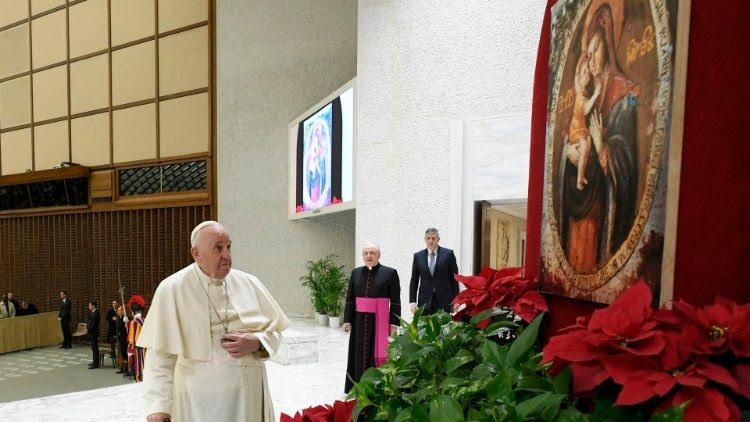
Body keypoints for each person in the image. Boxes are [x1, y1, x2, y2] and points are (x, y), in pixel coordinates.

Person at [138, 221, 289, 422]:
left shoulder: (249, 283)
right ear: (196, 253)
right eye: (218, 248)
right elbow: (160, 357)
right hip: (198, 403)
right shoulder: (171, 289)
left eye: (228, 247)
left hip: (247, 397)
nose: (227, 255)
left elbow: (275, 332)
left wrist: (257, 342)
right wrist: (159, 407)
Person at [556, 3, 639, 273]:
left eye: (596, 49)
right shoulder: (587, 92)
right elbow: (572, 134)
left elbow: (627, 164)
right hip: (578, 211)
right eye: (587, 52)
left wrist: (603, 146)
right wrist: (567, 152)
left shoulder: (624, 96)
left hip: (601, 213)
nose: (591, 59)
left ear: (609, 45)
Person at [343, 243, 400, 393]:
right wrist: (347, 320)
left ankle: (377, 385)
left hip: (380, 321)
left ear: (378, 255)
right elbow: (350, 298)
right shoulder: (355, 273)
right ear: (362, 256)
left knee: (377, 353)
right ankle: (356, 385)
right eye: (366, 253)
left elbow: (395, 301)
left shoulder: (390, 273)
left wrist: (394, 324)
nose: (369, 256)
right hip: (359, 320)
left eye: (372, 253)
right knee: (358, 352)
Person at [567, 53, 600, 191]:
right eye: (584, 72)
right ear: (579, 75)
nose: (587, 75)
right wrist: (596, 95)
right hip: (576, 130)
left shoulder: (583, 90)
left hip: (582, 128)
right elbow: (585, 110)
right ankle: (580, 178)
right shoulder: (580, 91)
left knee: (587, 145)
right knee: (585, 146)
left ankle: (582, 174)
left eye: (588, 73)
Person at [409, 228, 459, 316]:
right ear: (425, 239)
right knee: (425, 328)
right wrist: (412, 301)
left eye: (433, 238)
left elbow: (454, 279)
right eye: (428, 238)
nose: (431, 241)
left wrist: (456, 301)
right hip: (425, 300)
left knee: (443, 328)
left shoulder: (448, 254)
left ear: (438, 239)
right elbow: (414, 281)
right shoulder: (418, 256)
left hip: (444, 300)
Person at [127, 295, 146, 382]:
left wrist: (130, 351)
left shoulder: (133, 322)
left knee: (137, 372)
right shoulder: (144, 319)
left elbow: (131, 339)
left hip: (136, 350)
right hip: (144, 349)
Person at [87, 301, 101, 369]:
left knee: (95, 348)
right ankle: (94, 361)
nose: (89, 307)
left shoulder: (96, 313)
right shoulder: (93, 312)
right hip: (92, 332)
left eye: (90, 305)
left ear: (93, 306)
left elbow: (93, 324)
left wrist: (88, 329)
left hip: (94, 333)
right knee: (93, 348)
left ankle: (96, 364)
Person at [116, 305, 129, 375]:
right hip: (121, 339)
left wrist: (127, 322)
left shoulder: (126, 318)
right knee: (122, 354)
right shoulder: (120, 318)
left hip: (125, 339)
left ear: (122, 311)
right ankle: (123, 368)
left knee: (126, 354)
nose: (117, 311)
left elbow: (129, 327)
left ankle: (127, 369)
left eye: (119, 310)